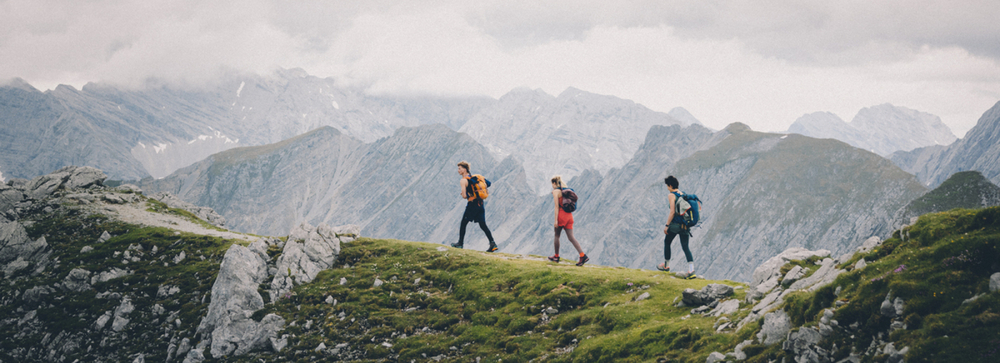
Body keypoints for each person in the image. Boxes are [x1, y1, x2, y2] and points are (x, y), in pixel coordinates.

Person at [451, 161, 498, 252]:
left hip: (472, 205)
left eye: (459, 168)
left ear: (464, 169)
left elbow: (464, 196)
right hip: (480, 204)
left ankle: (460, 243)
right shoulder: (476, 178)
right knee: (483, 225)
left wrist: (466, 194)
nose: (458, 170)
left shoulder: (463, 180)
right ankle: (493, 244)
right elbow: (488, 183)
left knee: (463, 223)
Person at [548, 175, 589, 266]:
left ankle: (556, 256)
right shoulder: (566, 191)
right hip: (569, 216)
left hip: (561, 216)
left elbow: (556, 206)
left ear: (554, 183)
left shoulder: (556, 192)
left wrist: (555, 220)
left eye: (552, 184)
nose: (552, 186)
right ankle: (582, 255)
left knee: (557, 235)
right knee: (571, 237)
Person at [659, 175, 695, 278]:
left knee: (667, 242)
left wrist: (667, 226)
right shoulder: (683, 194)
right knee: (685, 247)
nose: (667, 188)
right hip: (685, 225)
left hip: (675, 225)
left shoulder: (671, 195)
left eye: (667, 186)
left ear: (670, 185)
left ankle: (666, 266)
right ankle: (692, 270)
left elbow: (672, 212)